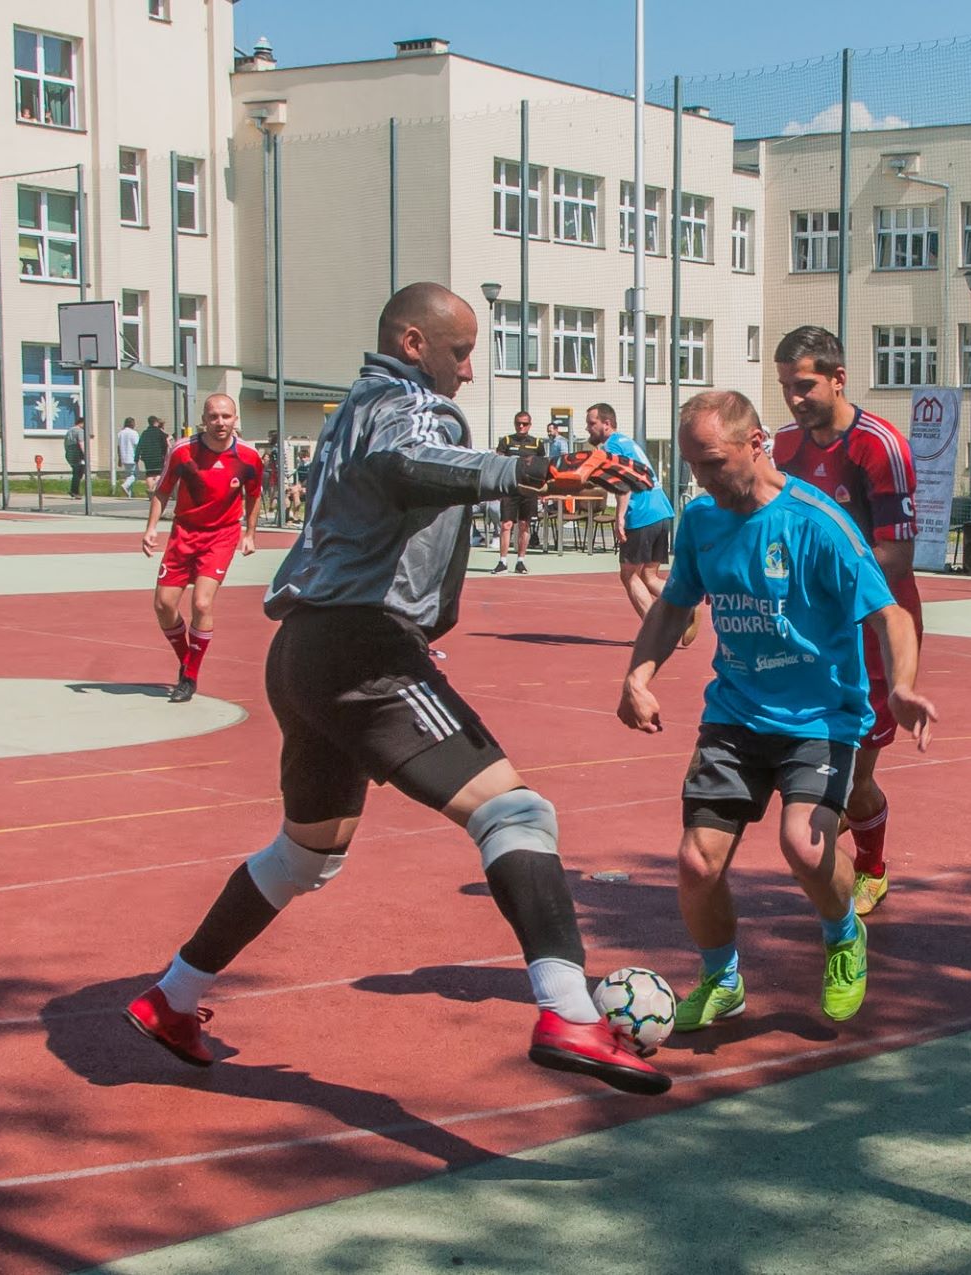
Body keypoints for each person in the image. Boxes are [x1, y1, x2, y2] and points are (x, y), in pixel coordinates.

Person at [123, 282, 669, 1096]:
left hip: (306, 649)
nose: (470, 371)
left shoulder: (358, 403)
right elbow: (407, 462)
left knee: (306, 853)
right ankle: (569, 1011)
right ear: (414, 343)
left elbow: (393, 478)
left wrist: (519, 484)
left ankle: (174, 995)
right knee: (518, 812)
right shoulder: (412, 406)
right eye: (461, 351)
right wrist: (521, 467)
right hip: (361, 648)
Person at [620, 390, 934, 1031]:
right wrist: (638, 676)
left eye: (712, 463)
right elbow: (676, 606)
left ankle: (844, 938)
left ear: (756, 442)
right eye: (692, 467)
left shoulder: (817, 522)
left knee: (802, 842)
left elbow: (890, 614)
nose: (702, 480)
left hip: (820, 719)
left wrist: (900, 686)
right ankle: (721, 977)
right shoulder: (704, 521)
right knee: (695, 862)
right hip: (735, 715)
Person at [771, 326, 922, 919]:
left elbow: (897, 556)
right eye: (785, 386)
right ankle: (824, 870)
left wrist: (810, 581)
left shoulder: (880, 445)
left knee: (852, 777)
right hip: (808, 637)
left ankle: (872, 867)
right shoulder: (782, 447)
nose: (794, 398)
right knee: (808, 772)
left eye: (804, 384)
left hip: (872, 634)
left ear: (838, 378)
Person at [141, 394, 262, 703]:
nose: (220, 422)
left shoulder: (249, 456)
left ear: (236, 420)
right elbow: (163, 490)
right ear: (204, 420)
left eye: (226, 416)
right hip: (183, 533)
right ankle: (186, 659)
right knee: (163, 605)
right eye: (213, 417)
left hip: (221, 536)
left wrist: (249, 533)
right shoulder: (183, 451)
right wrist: (151, 528)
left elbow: (254, 495)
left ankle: (190, 676)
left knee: (202, 603)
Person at [585, 402, 697, 647]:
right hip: (661, 509)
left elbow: (622, 483)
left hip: (642, 514)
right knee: (648, 575)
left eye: (592, 423)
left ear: (607, 423)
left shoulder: (612, 445)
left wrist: (620, 518)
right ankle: (686, 605)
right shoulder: (628, 442)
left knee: (628, 575)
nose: (588, 428)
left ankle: (655, 633)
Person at [493, 412, 544, 574]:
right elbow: (498, 464)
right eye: (518, 423)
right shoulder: (506, 441)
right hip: (510, 489)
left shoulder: (537, 443)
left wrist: (543, 490)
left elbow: (542, 468)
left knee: (524, 525)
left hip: (529, 491)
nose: (521, 426)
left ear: (530, 424)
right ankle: (502, 561)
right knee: (506, 524)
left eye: (524, 423)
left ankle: (520, 561)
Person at [137, 415, 170, 485]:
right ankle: (156, 487)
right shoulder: (160, 433)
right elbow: (165, 445)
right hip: (158, 457)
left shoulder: (144, 433)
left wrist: (136, 457)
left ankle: (151, 489)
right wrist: (164, 456)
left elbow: (139, 445)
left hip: (147, 458)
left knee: (149, 474)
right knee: (158, 473)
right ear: (156, 423)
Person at [62, 415, 90, 498]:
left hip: (69, 453)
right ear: (82, 423)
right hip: (77, 453)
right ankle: (75, 491)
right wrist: (86, 455)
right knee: (78, 472)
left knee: (76, 471)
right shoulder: (79, 431)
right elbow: (81, 443)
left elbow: (65, 443)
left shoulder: (69, 431)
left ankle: (73, 490)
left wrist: (68, 452)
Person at [116, 416, 142, 497]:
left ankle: (129, 493)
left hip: (124, 456)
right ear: (132, 424)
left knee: (129, 475)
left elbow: (119, 446)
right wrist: (140, 455)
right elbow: (137, 445)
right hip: (132, 456)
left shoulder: (120, 433)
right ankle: (125, 485)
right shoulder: (133, 433)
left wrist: (119, 458)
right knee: (135, 475)